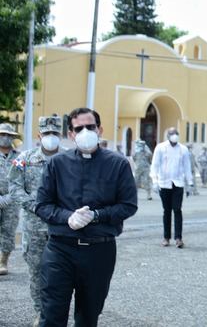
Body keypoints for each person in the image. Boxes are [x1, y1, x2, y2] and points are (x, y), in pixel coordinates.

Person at [35, 107, 138, 326]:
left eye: (89, 127)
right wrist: (67, 217)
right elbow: (42, 205)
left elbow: (128, 205)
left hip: (99, 251)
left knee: (88, 316)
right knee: (52, 314)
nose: (85, 132)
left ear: (99, 129)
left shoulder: (118, 164)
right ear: (71, 134)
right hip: (60, 249)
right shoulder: (56, 164)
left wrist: (96, 215)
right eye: (78, 128)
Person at [8, 115, 63, 325]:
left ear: (61, 135)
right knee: (37, 271)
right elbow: (14, 187)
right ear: (39, 135)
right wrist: (35, 206)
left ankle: (58, 311)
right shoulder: (25, 158)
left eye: (55, 134)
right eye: (47, 133)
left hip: (62, 227)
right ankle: (41, 311)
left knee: (63, 274)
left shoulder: (69, 159)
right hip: (35, 227)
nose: (51, 137)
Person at [150, 127, 193, 248]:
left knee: (177, 210)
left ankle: (178, 238)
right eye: (172, 134)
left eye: (176, 134)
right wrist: (155, 181)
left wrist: (190, 183)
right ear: (168, 136)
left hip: (178, 183)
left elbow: (187, 167)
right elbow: (155, 165)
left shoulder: (183, 149)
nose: (174, 136)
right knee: (167, 211)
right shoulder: (160, 148)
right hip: (164, 183)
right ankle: (166, 237)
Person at [0, 122, 21, 275]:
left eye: (8, 135)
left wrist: (10, 197)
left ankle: (3, 261)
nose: (5, 138)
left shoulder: (19, 157)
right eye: (2, 135)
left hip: (12, 201)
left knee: (8, 231)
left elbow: (22, 179)